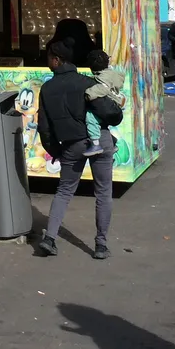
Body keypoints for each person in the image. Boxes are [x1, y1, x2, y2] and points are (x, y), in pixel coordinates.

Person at [36, 39, 123, 259]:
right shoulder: (87, 83)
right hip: (100, 141)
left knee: (64, 191)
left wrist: (55, 150)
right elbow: (110, 112)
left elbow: (44, 128)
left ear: (57, 60)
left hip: (71, 145)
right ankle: (101, 245)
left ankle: (50, 238)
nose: (47, 62)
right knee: (103, 191)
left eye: (48, 58)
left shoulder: (47, 89)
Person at [83, 48, 125, 158]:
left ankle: (95, 144)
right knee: (101, 124)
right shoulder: (111, 74)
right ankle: (113, 142)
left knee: (90, 118)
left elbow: (101, 89)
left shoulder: (103, 79)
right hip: (115, 106)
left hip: (111, 108)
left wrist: (88, 94)